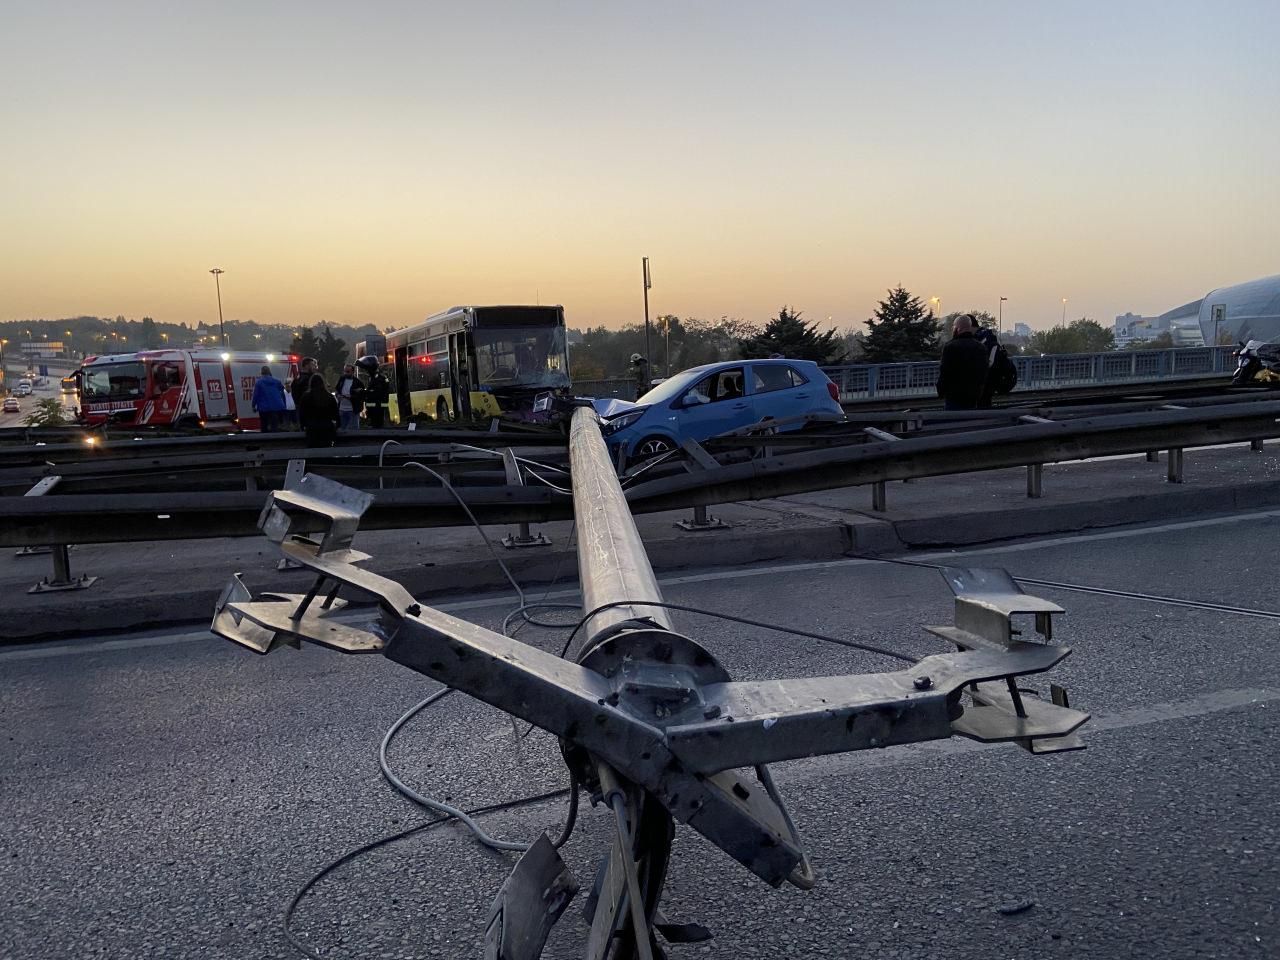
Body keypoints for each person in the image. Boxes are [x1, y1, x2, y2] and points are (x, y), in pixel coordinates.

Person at [936, 315, 989, 411]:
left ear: (958, 328)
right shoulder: (981, 347)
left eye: (954, 326)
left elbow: (945, 372)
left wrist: (941, 391)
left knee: (953, 422)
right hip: (973, 396)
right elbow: (983, 372)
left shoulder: (950, 347)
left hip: (954, 396)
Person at [299, 368, 339, 447]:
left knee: (312, 452)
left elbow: (302, 413)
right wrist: (337, 425)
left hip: (312, 428)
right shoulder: (329, 397)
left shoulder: (306, 397)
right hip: (327, 428)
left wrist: (302, 425)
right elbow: (335, 414)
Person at [251, 365, 287, 432]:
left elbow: (256, 395)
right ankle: (274, 439)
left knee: (264, 425)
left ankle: (265, 440)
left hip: (263, 408)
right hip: (276, 407)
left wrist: (253, 405)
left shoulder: (259, 382)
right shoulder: (277, 381)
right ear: (269, 372)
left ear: (261, 372)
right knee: (274, 425)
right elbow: (283, 390)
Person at [358, 355, 390, 428]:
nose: (365, 371)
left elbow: (375, 393)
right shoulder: (374, 378)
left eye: (367, 369)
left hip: (377, 410)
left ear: (371, 368)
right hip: (374, 410)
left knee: (377, 428)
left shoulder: (379, 379)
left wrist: (362, 392)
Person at [333, 363, 365, 431]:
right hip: (342, 409)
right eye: (344, 371)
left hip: (353, 411)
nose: (345, 373)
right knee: (342, 430)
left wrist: (351, 397)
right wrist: (337, 395)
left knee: (354, 431)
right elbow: (337, 390)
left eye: (348, 371)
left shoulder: (358, 382)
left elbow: (362, 396)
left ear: (353, 372)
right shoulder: (342, 379)